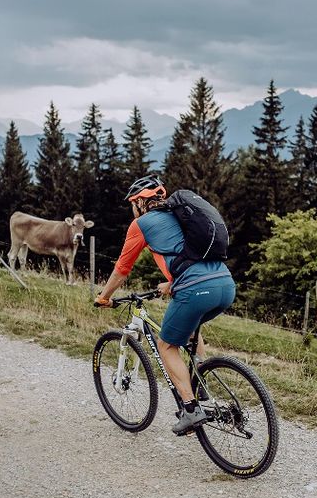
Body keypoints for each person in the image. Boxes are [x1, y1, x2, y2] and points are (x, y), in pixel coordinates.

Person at [95, 175, 236, 435]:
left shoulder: (141, 224)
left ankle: (191, 409)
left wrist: (104, 297)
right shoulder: (183, 216)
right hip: (225, 285)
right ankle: (199, 381)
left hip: (195, 289)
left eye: (132, 204)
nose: (132, 210)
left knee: (166, 345)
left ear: (139, 202)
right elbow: (190, 255)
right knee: (192, 329)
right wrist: (170, 283)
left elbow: (122, 270)